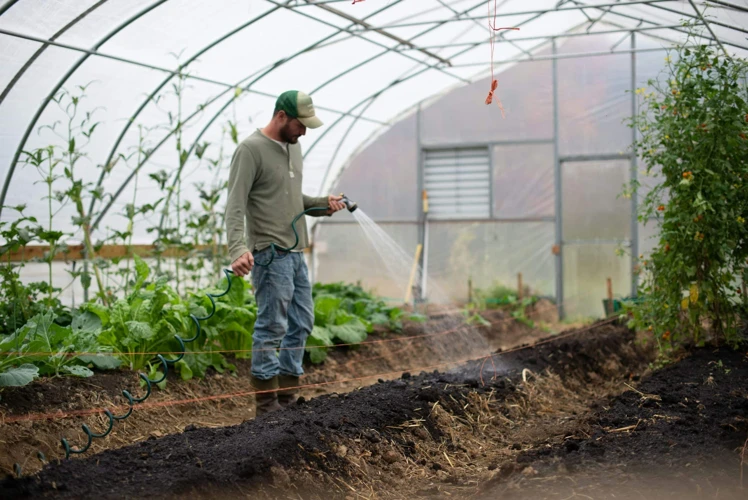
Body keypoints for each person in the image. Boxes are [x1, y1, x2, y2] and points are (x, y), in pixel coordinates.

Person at [225, 90, 346, 416]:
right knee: (272, 326)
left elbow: (293, 200)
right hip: (270, 254)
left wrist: (324, 204)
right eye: (300, 124)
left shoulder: (294, 148)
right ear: (281, 116)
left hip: (295, 254)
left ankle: (288, 400)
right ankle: (267, 406)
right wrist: (237, 248)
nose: (304, 131)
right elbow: (235, 205)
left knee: (302, 321)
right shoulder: (250, 150)